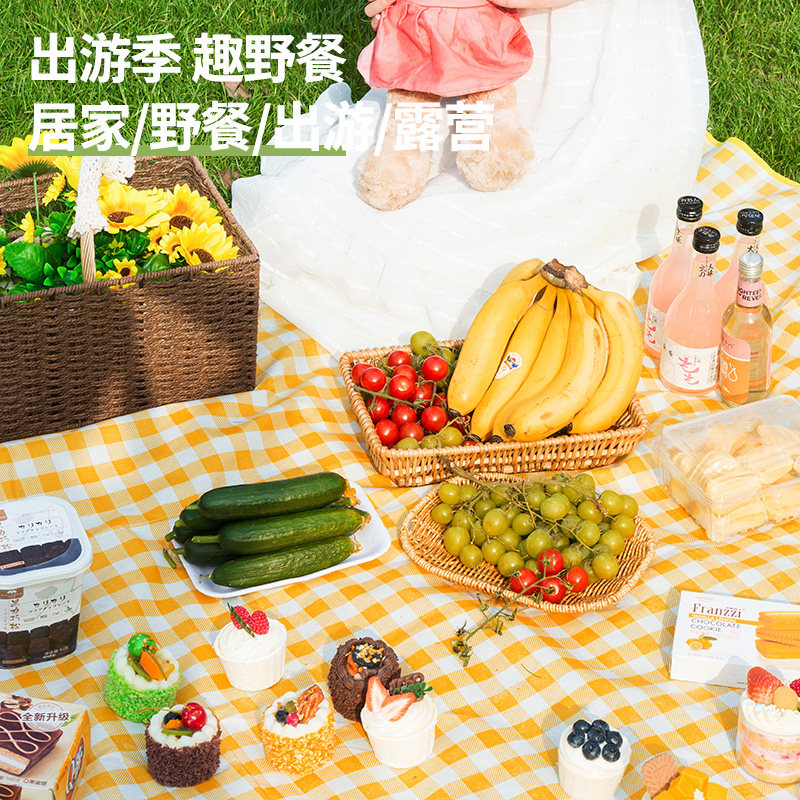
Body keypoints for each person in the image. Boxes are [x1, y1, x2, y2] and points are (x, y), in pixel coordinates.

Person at [232, 0, 709, 355]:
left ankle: (486, 150)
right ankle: (418, 152)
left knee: (471, 230)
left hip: (576, 56)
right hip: (458, 32)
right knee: (394, 136)